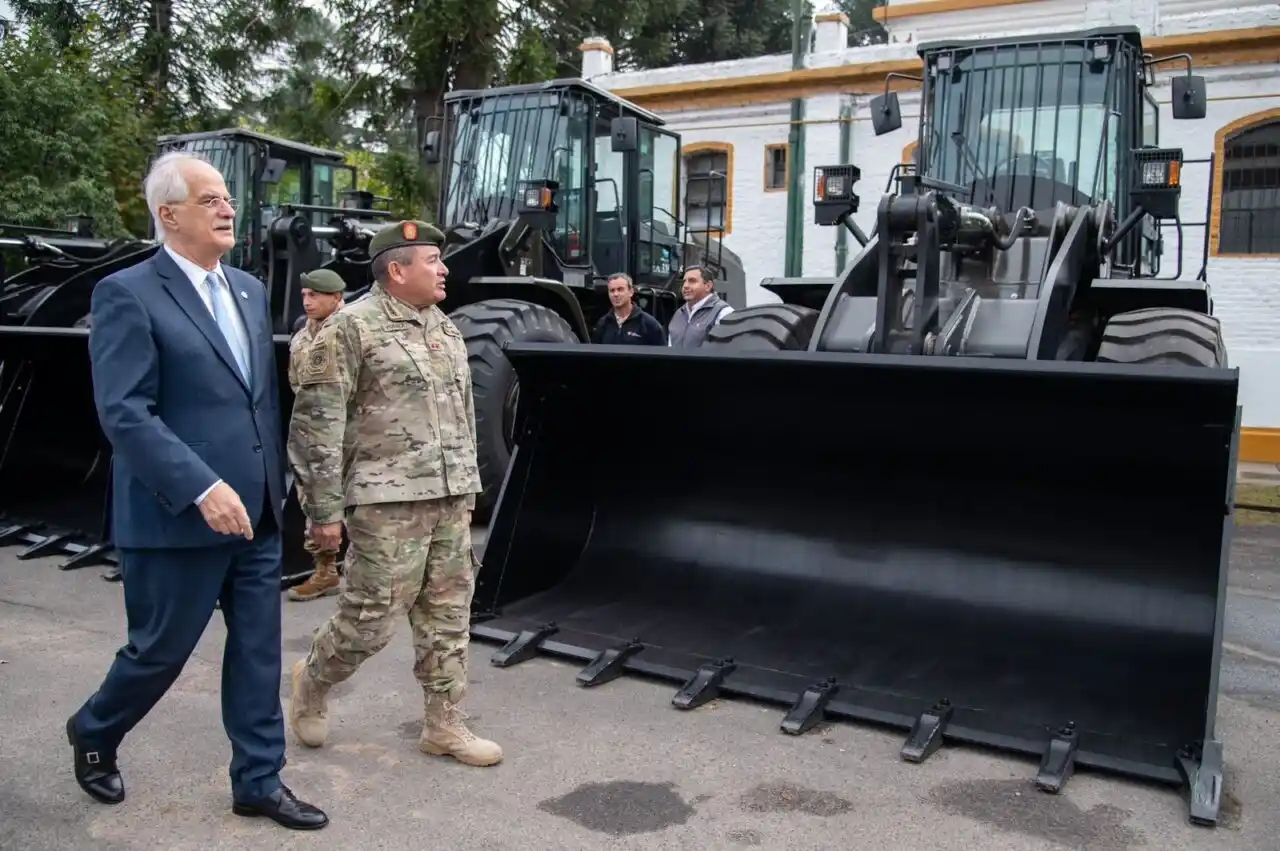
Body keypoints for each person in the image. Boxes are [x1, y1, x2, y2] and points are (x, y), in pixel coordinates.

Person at [68, 151, 328, 830]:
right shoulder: (127, 293)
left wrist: (285, 488)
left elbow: (256, 404)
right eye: (209, 198)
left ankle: (259, 780)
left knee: (258, 653)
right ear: (168, 214)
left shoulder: (245, 288)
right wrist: (199, 485)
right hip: (177, 517)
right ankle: (95, 729)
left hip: (256, 516)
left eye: (227, 198)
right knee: (159, 651)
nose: (226, 208)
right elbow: (125, 411)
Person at [287, 219, 502, 767]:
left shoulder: (445, 329)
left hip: (450, 499)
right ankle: (312, 680)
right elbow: (317, 426)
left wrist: (468, 488)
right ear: (397, 270)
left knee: (450, 614)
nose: (444, 268)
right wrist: (324, 512)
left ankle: (444, 725)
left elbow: (463, 416)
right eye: (433, 259)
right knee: (369, 620)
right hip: (386, 504)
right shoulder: (349, 329)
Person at [285, 269, 346, 602]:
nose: (307, 302)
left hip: (349, 432)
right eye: (305, 296)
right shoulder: (301, 337)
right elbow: (298, 384)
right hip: (312, 433)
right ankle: (325, 571)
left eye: (315, 296)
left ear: (336, 298)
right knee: (314, 500)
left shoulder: (350, 331)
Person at [667, 264, 734, 348]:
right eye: (684, 281)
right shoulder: (678, 314)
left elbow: (727, 351)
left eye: (692, 281)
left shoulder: (723, 313)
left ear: (708, 286)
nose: (685, 286)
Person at [591, 272, 665, 345]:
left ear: (631, 292)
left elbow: (661, 355)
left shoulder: (649, 325)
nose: (615, 294)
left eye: (620, 289)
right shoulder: (603, 324)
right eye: (612, 290)